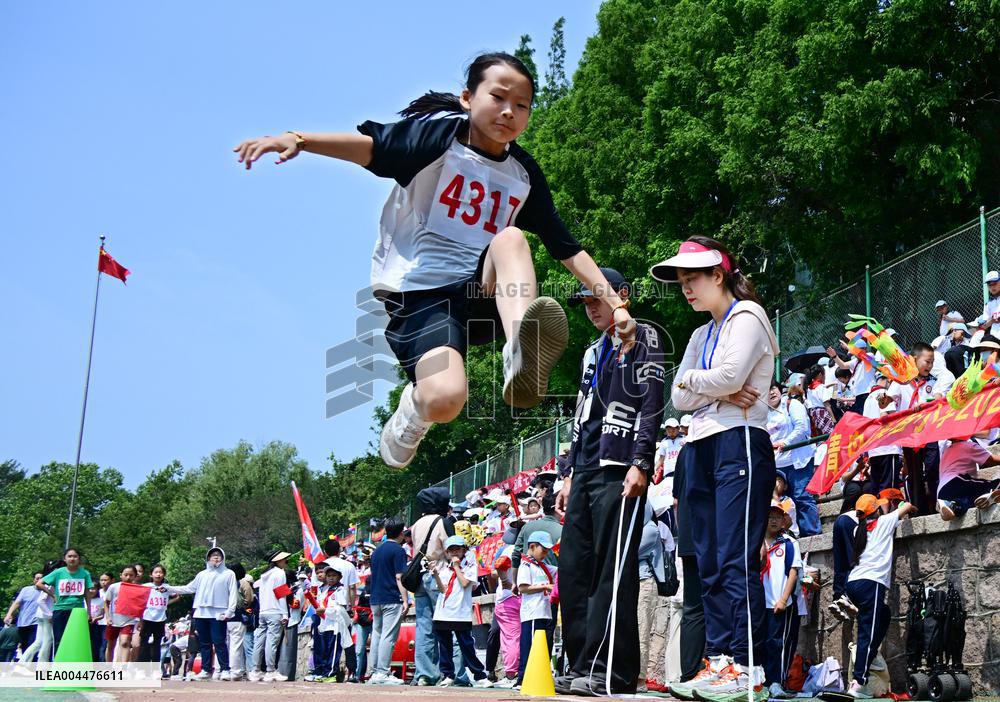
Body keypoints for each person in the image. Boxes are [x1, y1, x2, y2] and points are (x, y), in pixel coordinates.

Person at [234, 51, 638, 471]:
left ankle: (521, 349)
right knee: (446, 398)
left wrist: (615, 304)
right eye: (498, 98)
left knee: (512, 239)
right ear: (467, 97)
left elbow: (566, 247)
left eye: (521, 105)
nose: (508, 112)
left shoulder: (524, 173)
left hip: (482, 292)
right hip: (423, 296)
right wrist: (299, 139)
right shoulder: (438, 141)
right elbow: (372, 150)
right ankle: (412, 412)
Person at [653, 236, 778, 702]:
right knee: (705, 562)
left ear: (718, 275)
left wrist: (711, 384)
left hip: (740, 440)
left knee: (732, 556)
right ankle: (719, 659)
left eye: (693, 279)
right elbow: (678, 395)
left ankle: (747, 667)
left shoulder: (749, 316)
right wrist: (720, 387)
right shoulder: (699, 334)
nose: (685, 289)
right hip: (697, 447)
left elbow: (719, 379)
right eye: (681, 281)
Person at [555, 266, 665, 696]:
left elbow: (652, 404)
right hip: (584, 469)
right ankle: (579, 661)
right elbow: (581, 416)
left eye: (596, 298)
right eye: (585, 301)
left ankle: (611, 669)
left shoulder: (645, 340)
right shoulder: (590, 353)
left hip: (621, 468)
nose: (590, 308)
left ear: (621, 296)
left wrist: (642, 461)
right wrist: (566, 475)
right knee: (574, 570)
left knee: (611, 571)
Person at [845, 496, 917, 698]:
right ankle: (859, 682)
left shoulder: (856, 529)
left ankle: (870, 655)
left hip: (854, 583)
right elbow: (907, 507)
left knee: (883, 615)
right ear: (876, 510)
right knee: (866, 633)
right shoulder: (885, 522)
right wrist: (907, 505)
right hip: (871, 584)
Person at [888, 342, 955, 515]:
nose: (930, 366)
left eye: (932, 362)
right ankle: (918, 511)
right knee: (915, 473)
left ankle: (936, 504)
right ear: (914, 359)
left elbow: (938, 396)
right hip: (910, 434)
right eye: (927, 361)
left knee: (933, 468)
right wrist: (884, 399)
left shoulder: (933, 380)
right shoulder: (902, 381)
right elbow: (889, 399)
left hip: (929, 431)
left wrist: (932, 401)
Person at [165, 547, 239, 681]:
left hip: (219, 613)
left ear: (223, 558)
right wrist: (169, 588)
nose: (216, 557)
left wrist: (230, 611)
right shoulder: (202, 574)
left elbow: (233, 593)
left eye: (218, 555)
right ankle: (206, 670)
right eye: (213, 555)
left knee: (219, 642)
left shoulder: (229, 574)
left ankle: (225, 669)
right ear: (208, 558)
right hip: (201, 613)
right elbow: (189, 588)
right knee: (204, 643)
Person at [430, 535, 492, 688]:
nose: (454, 553)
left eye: (457, 549)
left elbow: (465, 583)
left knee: (466, 645)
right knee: (444, 645)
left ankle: (479, 675)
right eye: (451, 550)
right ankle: (448, 674)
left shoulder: (470, 566)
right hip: (443, 611)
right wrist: (436, 575)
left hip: (460, 612)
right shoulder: (444, 567)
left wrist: (457, 566)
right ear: (446, 552)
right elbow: (443, 589)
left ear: (464, 550)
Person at [408, 486, 452, 685]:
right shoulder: (443, 522)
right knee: (447, 623)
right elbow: (451, 549)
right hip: (439, 575)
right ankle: (451, 672)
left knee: (424, 626)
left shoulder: (416, 524)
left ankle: (425, 673)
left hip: (420, 576)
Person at [761, 502, 801, 698]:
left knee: (777, 644)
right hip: (759, 603)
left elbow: (793, 571)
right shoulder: (755, 542)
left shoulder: (789, 542)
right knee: (761, 643)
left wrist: (784, 600)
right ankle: (761, 682)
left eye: (778, 516)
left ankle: (776, 682)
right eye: (770, 516)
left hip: (779, 602)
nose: (774, 520)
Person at [766, 381, 816, 536]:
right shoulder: (762, 413)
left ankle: (811, 535)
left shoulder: (792, 404)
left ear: (780, 389)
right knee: (780, 502)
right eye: (766, 390)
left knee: (802, 497)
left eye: (773, 388)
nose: (771, 392)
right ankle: (788, 535)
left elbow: (802, 428)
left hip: (798, 461)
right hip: (776, 464)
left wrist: (785, 442)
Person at [366, 520, 410, 685]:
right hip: (391, 597)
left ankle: (375, 672)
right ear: (400, 534)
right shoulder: (399, 551)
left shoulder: (376, 551)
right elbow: (399, 577)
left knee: (377, 634)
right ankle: (383, 672)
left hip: (375, 598)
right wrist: (405, 600)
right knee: (388, 636)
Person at [516, 532, 557, 687]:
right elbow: (523, 588)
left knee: (541, 647)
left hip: (543, 611)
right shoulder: (525, 565)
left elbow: (559, 570)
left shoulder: (542, 566)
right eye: (544, 550)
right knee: (530, 646)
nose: (545, 553)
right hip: (532, 612)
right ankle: (523, 677)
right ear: (532, 547)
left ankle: (537, 675)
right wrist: (545, 586)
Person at [38, 547, 93, 655]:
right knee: (59, 639)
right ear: (65, 559)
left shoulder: (85, 573)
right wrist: (52, 594)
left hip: (77, 610)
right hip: (60, 609)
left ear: (79, 559)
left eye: (75, 556)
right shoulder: (59, 572)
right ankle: (58, 666)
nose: (72, 559)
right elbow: (39, 583)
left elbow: (87, 592)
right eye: (69, 556)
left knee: (75, 639)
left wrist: (89, 612)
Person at [305, 566, 356, 682]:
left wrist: (325, 610)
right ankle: (324, 672)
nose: (331, 578)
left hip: (336, 626)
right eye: (329, 576)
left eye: (334, 576)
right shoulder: (325, 590)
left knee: (333, 650)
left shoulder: (340, 590)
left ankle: (331, 673)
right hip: (326, 624)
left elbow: (340, 609)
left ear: (339, 577)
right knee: (326, 649)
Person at [247, 550, 290, 683]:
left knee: (259, 642)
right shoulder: (280, 573)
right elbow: (281, 594)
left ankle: (255, 670)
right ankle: (270, 671)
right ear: (277, 561)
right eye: (284, 560)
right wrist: (285, 614)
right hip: (275, 611)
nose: (285, 562)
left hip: (263, 611)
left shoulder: (264, 574)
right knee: (272, 643)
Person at [936, 437, 1000, 520]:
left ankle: (952, 505)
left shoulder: (946, 452)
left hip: (942, 492)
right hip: (956, 482)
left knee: (968, 502)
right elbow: (991, 460)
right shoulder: (969, 446)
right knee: (991, 484)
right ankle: (991, 491)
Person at [486, 541, 520, 688]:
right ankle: (493, 670)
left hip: (509, 599)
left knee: (510, 638)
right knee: (500, 635)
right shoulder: (507, 548)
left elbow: (499, 565)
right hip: (520, 597)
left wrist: (506, 581)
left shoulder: (511, 548)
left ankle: (512, 674)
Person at [862, 375, 902, 494]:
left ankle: (878, 511)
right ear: (888, 381)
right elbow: (887, 415)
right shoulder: (885, 394)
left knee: (877, 484)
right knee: (889, 486)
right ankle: (887, 512)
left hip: (874, 448)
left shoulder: (867, 399)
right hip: (889, 446)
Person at [19, 562, 56, 664]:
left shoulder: (47, 582)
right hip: (46, 615)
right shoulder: (51, 583)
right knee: (48, 641)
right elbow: (40, 601)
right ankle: (42, 664)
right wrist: (50, 615)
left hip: (41, 615)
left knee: (39, 641)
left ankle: (23, 662)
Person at [137, 565, 174, 665]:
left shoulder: (167, 588)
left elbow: (179, 593)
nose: (158, 574)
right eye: (156, 572)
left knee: (157, 644)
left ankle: (155, 669)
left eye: (161, 572)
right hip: (147, 618)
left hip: (160, 620)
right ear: (151, 574)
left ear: (164, 575)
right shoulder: (145, 586)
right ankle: (141, 669)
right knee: (144, 644)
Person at [104, 565, 139, 663]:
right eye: (126, 575)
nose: (128, 577)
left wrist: (140, 620)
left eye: (131, 575)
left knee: (124, 642)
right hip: (113, 620)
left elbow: (140, 605)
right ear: (121, 575)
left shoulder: (137, 589)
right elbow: (106, 602)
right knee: (111, 644)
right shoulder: (114, 587)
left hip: (128, 620)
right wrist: (108, 617)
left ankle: (124, 668)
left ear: (135, 576)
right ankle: (108, 667)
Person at [4, 571, 43, 658]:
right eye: (37, 578)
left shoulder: (46, 591)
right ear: (34, 580)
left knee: (33, 644)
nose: (39, 580)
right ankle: (27, 667)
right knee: (25, 646)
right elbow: (17, 603)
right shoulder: (26, 590)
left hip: (37, 623)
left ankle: (32, 666)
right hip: (23, 623)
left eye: (41, 578)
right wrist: (9, 614)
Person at [226, 562, 253, 681]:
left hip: (224, 617)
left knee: (224, 645)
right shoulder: (242, 582)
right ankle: (235, 671)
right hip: (237, 615)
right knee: (236, 646)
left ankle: (222, 670)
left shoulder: (225, 582)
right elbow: (249, 598)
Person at [88, 572, 112, 662]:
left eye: (93, 589)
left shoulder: (101, 601)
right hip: (86, 625)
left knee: (99, 645)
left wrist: (95, 618)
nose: (91, 591)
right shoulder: (83, 601)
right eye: (89, 589)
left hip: (98, 626)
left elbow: (102, 614)